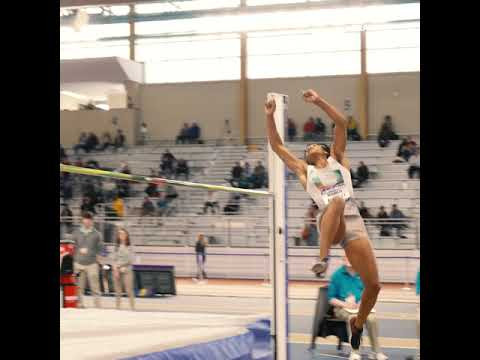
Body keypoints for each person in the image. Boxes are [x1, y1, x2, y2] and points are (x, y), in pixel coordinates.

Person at [265, 89, 381, 354]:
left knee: (374, 286)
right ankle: (323, 258)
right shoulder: (305, 170)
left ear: (325, 150)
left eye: (312, 145)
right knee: (336, 203)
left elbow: (341, 123)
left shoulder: (338, 159)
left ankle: (358, 324)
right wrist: (270, 116)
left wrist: (318, 101)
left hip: (353, 222)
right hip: (328, 219)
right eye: (306, 149)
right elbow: (277, 146)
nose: (308, 148)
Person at [328, 257, 388, 360]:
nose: (349, 260)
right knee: (354, 318)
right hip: (342, 308)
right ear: (343, 260)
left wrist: (361, 302)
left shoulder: (363, 274)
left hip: (361, 307)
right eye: (346, 258)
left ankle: (376, 352)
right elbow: (331, 299)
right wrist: (345, 304)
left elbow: (368, 292)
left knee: (372, 319)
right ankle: (355, 352)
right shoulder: (336, 275)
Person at [73, 212, 104, 308]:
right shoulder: (76, 233)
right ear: (82, 220)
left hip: (92, 264)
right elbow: (72, 246)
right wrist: (78, 251)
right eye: (85, 219)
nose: (86, 221)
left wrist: (99, 262)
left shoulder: (97, 234)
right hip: (78, 264)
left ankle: (98, 306)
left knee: (95, 287)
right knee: (78, 286)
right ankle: (79, 304)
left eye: (89, 219)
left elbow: (100, 249)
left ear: (92, 221)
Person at [112, 227, 135, 311]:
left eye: (123, 234)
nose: (121, 235)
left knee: (129, 290)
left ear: (126, 235)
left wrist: (120, 266)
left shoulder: (130, 247)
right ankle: (117, 307)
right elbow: (114, 259)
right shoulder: (116, 247)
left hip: (127, 269)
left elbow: (130, 259)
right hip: (117, 270)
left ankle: (132, 307)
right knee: (118, 291)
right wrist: (115, 269)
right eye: (120, 234)